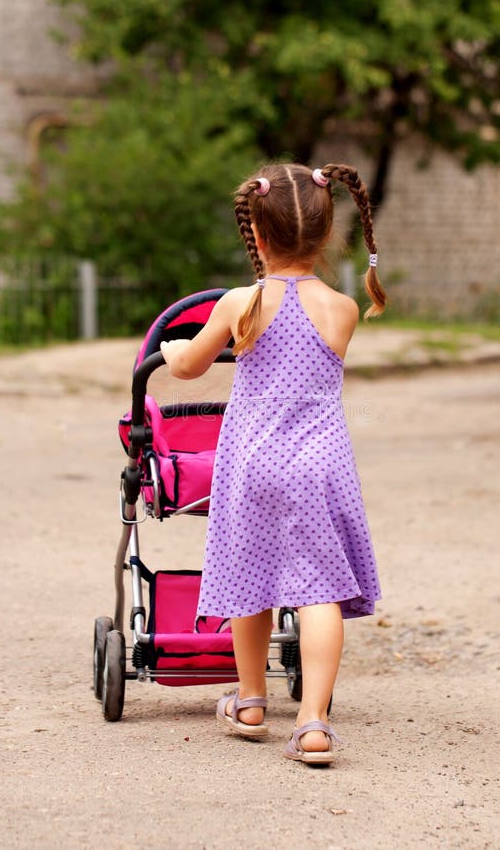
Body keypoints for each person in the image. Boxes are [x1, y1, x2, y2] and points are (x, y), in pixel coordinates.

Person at [160, 162, 384, 765]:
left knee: (249, 577)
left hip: (253, 463)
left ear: (256, 236)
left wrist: (174, 348)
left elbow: (187, 369)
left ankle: (253, 701)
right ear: (327, 233)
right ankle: (313, 723)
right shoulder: (342, 308)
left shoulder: (242, 303)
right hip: (318, 464)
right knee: (321, 591)